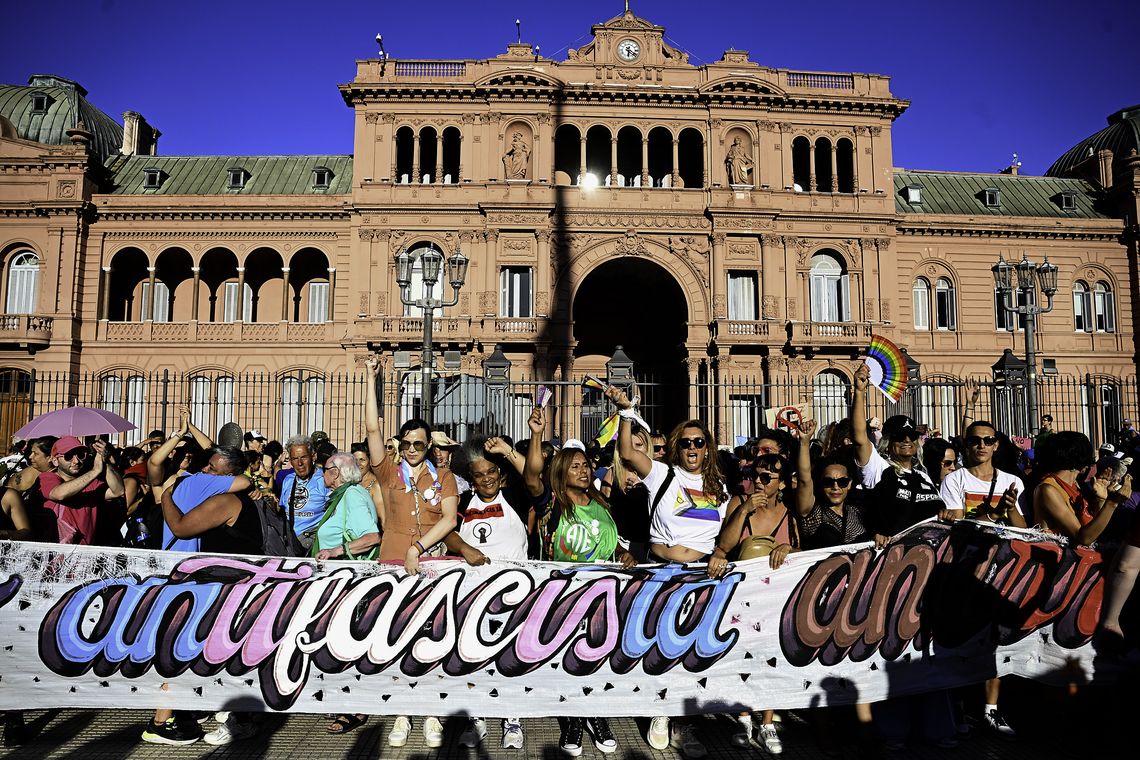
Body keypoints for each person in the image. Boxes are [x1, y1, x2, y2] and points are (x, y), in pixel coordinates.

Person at [609, 387, 726, 759]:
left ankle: (684, 721)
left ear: (707, 448)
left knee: (693, 651)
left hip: (702, 577)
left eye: (699, 442)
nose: (693, 448)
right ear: (678, 447)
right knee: (660, 646)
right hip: (663, 572)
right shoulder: (662, 474)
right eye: (687, 442)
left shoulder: (719, 488)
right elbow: (628, 454)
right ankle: (661, 711)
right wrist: (627, 412)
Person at [363, 357, 459, 749]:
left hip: (431, 559)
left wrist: (419, 547)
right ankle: (401, 711)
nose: (414, 449)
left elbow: (450, 519)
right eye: (408, 444)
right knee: (397, 635)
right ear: (399, 447)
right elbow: (371, 427)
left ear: (429, 445)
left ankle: (432, 712)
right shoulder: (388, 471)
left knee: (432, 635)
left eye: (421, 444)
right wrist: (371, 377)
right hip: (393, 559)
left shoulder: (445, 476)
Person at [447, 412, 546, 751]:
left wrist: (509, 449)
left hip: (515, 594)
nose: (486, 479)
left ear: (500, 476)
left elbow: (533, 476)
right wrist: (465, 548)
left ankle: (512, 718)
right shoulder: (462, 503)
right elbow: (447, 534)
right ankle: (477, 718)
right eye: (479, 475)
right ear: (470, 479)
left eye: (491, 473)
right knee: (472, 657)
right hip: (471, 594)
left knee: (510, 658)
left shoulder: (516, 498)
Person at [155, 472, 264, 747]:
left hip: (224, 590)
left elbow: (180, 528)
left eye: (212, 471)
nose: (205, 475)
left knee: (205, 650)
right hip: (234, 588)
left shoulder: (223, 501)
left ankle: (167, 720)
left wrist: (166, 495)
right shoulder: (239, 499)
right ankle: (234, 718)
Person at [541, 444, 633, 757]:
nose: (584, 471)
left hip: (604, 595)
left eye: (586, 466)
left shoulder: (601, 503)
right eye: (575, 466)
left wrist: (623, 553)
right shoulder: (552, 506)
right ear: (560, 473)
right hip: (565, 597)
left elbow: (612, 545)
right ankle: (572, 720)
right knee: (568, 660)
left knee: (598, 657)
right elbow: (529, 480)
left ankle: (597, 714)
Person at [939, 420, 1026, 737]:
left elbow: (1022, 527)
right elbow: (957, 523)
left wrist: (1010, 507)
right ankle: (960, 705)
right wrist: (990, 513)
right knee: (960, 637)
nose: (981, 446)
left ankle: (991, 709)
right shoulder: (955, 479)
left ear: (996, 445)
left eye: (988, 440)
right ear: (966, 444)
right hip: (965, 568)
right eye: (975, 440)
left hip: (1003, 570)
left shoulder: (1012, 481)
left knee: (996, 640)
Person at [713, 451, 798, 755]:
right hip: (743, 596)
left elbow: (802, 553)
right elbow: (724, 546)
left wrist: (789, 547)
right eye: (754, 476)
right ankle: (744, 718)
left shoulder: (790, 511)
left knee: (772, 659)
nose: (758, 483)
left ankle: (768, 722)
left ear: (782, 484)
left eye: (766, 478)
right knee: (742, 659)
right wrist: (744, 510)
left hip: (777, 598)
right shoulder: (739, 503)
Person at [311, 452, 381, 737]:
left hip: (352, 583)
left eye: (325, 470)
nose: (322, 475)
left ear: (337, 473)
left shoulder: (352, 495)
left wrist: (336, 552)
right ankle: (347, 699)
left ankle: (356, 706)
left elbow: (372, 536)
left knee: (350, 643)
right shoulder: (344, 495)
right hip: (340, 582)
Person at [851, 363, 945, 544]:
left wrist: (944, 513)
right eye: (900, 437)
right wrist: (859, 392)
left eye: (912, 436)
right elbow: (860, 438)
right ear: (887, 443)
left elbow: (938, 512)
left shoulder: (923, 476)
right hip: (893, 559)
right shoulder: (879, 469)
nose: (907, 440)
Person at [1033, 431, 1130, 545]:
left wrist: (1101, 500)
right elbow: (1083, 538)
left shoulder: (1075, 485)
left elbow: (1095, 531)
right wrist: (1112, 503)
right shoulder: (1048, 490)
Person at [38, 436, 124, 545]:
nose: (76, 461)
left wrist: (105, 462)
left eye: (81, 455)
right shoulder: (47, 478)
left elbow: (118, 491)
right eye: (68, 456)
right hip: (56, 551)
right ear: (55, 461)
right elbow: (58, 494)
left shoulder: (91, 482)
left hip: (85, 552)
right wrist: (95, 471)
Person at [280, 435, 330, 552]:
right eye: (295, 459)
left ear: (313, 456)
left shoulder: (325, 479)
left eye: (304, 457)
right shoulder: (288, 480)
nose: (300, 463)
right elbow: (282, 510)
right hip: (289, 543)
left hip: (312, 545)